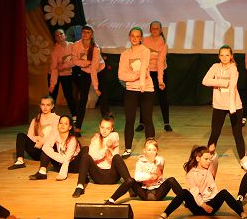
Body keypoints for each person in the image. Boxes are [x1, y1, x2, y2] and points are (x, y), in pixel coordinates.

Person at [159, 146, 247, 219]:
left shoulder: (208, 172)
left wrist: (210, 202)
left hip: (210, 206)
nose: (209, 161)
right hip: (197, 207)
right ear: (198, 158)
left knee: (224, 192)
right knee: (184, 192)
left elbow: (213, 189)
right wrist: (204, 205)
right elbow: (194, 192)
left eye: (209, 159)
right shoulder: (190, 174)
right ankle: (165, 214)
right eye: (206, 159)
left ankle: (242, 213)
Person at [104, 138, 184, 203]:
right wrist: (150, 176)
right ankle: (111, 200)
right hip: (144, 192)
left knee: (171, 180)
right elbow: (137, 177)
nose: (151, 152)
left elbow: (160, 162)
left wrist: (154, 161)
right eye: (149, 150)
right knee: (130, 180)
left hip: (158, 192)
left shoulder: (160, 159)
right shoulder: (140, 162)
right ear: (144, 150)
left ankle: (185, 199)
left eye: (154, 150)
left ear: (157, 151)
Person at [71, 116, 133, 198]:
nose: (104, 130)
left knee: (117, 157)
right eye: (102, 127)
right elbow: (93, 156)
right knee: (86, 156)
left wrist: (109, 144)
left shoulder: (114, 135)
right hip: (98, 175)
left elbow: (113, 139)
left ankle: (130, 185)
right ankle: (80, 186)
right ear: (99, 127)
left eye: (107, 128)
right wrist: (105, 149)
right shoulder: (95, 139)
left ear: (111, 129)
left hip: (112, 175)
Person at [202, 45, 245, 159]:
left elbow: (232, 87)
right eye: (222, 55)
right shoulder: (215, 67)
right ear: (219, 56)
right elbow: (205, 81)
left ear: (231, 56)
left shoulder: (233, 69)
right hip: (219, 105)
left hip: (234, 105)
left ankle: (243, 160)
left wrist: (232, 107)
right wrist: (223, 82)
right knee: (215, 133)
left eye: (227, 55)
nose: (224, 57)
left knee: (238, 134)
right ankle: (207, 158)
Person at [118, 26, 154, 159]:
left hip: (146, 89)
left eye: (137, 36)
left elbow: (144, 68)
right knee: (130, 119)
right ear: (129, 37)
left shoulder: (145, 51)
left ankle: (151, 149)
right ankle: (127, 149)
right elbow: (121, 75)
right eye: (132, 36)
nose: (135, 38)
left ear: (141, 38)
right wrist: (135, 76)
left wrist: (142, 83)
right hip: (131, 89)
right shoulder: (125, 54)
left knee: (147, 119)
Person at [136, 21, 172, 133]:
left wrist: (160, 81)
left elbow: (160, 63)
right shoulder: (145, 41)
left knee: (163, 98)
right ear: (150, 30)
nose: (154, 30)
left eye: (157, 28)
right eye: (152, 28)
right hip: (146, 71)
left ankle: (166, 123)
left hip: (160, 72)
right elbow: (142, 58)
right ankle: (142, 123)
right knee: (144, 97)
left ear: (160, 30)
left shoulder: (163, 44)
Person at [8, 95, 60, 170]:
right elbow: (30, 136)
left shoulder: (57, 119)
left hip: (49, 150)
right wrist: (38, 139)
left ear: (52, 106)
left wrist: (42, 142)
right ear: (40, 106)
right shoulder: (35, 120)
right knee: (21, 135)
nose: (45, 107)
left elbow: (54, 136)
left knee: (53, 141)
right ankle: (20, 161)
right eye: (43, 105)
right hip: (37, 149)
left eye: (48, 105)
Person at [29, 114, 82, 181]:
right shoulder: (55, 134)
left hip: (72, 165)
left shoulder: (72, 139)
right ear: (58, 125)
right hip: (60, 163)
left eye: (66, 124)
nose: (62, 125)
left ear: (70, 127)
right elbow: (45, 147)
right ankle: (42, 172)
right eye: (60, 123)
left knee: (85, 150)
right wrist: (61, 159)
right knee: (47, 148)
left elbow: (67, 159)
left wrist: (62, 175)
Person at [71, 25, 102, 136]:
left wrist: (96, 87)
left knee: (102, 96)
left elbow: (93, 69)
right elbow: (74, 60)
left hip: (99, 71)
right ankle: (78, 128)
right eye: (84, 32)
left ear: (91, 34)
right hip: (84, 71)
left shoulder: (95, 48)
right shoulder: (76, 45)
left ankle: (108, 124)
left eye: (88, 32)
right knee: (83, 98)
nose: (85, 34)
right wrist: (85, 63)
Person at [48, 29, 77, 119]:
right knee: (52, 96)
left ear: (65, 35)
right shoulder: (55, 51)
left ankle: (75, 116)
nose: (59, 36)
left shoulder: (72, 45)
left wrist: (64, 65)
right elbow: (54, 68)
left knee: (69, 95)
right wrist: (52, 84)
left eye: (61, 34)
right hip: (54, 74)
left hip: (67, 74)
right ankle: (49, 116)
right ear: (55, 38)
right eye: (57, 35)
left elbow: (76, 60)